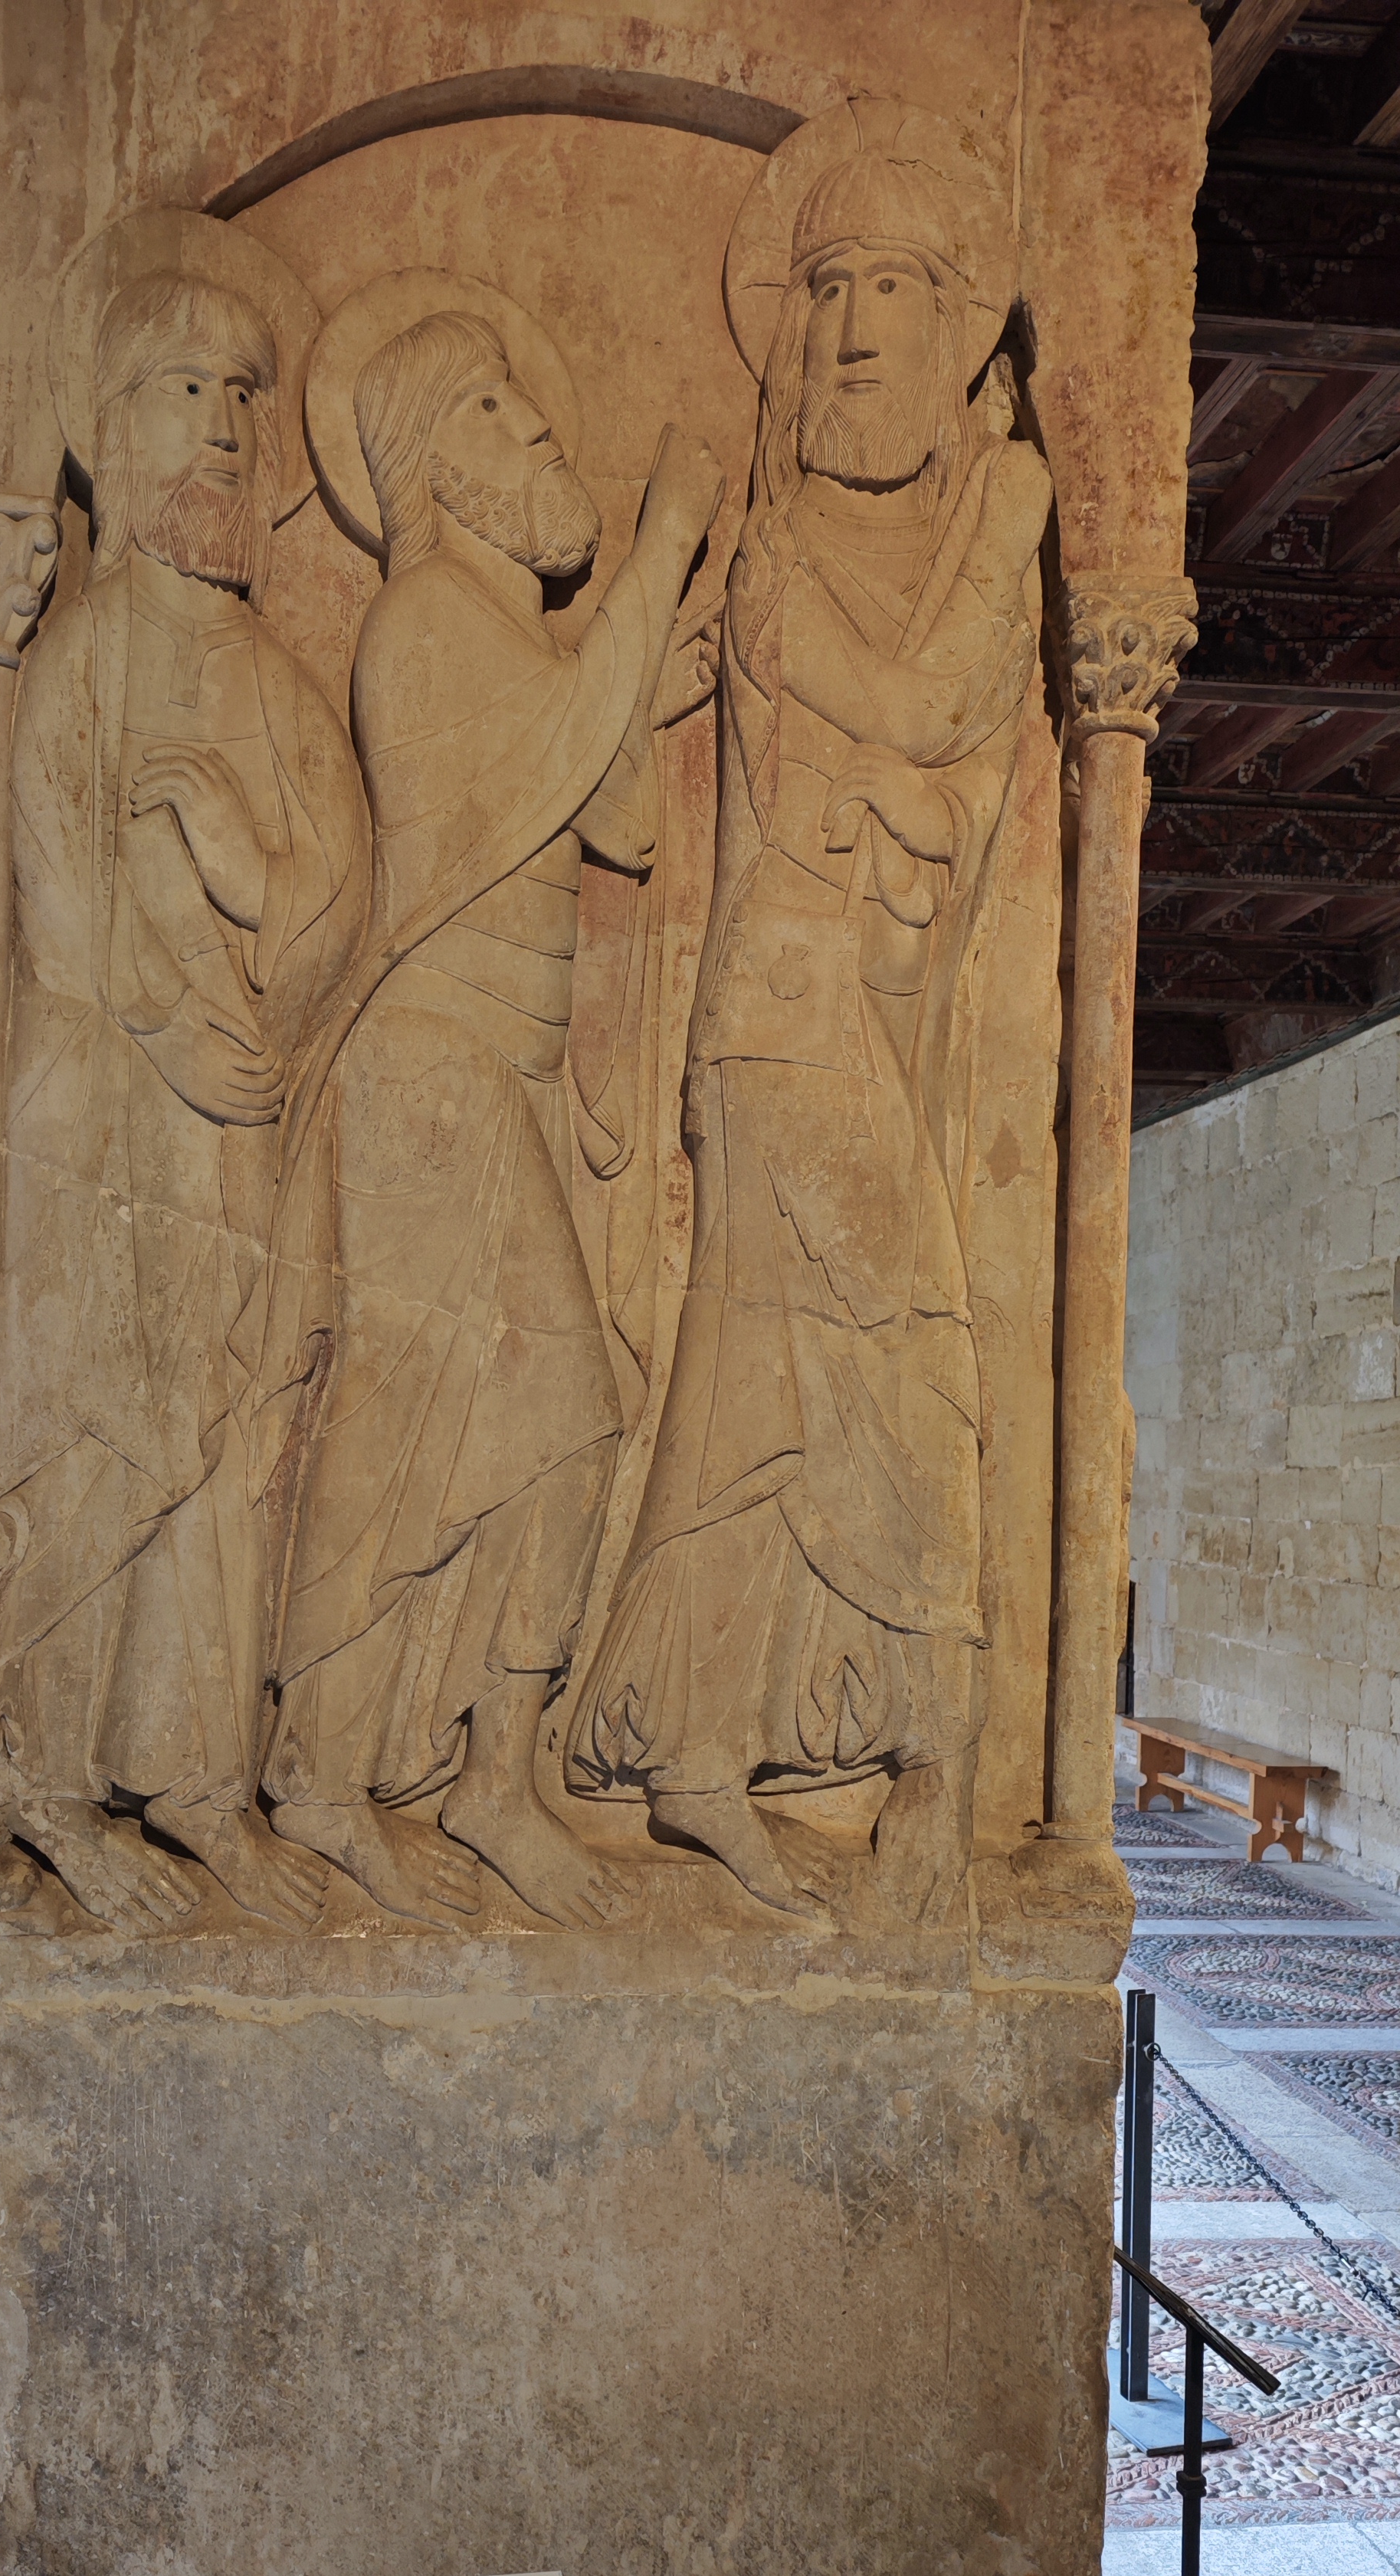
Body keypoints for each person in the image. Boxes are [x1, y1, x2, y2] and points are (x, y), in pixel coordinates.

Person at [571, 143, 1051, 1921]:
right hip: (781, 1021)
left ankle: (710, 1754)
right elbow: (917, 710)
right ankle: (931, 1760)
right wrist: (1012, 520)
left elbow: (955, 770)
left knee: (775, 1389)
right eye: (828, 289)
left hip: (872, 1012)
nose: (852, 327)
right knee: (893, 1368)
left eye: (894, 289)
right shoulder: (778, 555)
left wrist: (1001, 535)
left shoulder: (947, 546)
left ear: (955, 333)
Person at [255, 304, 723, 1925]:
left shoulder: (511, 639)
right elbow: (549, 767)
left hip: (496, 1075)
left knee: (530, 1423)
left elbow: (625, 820)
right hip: (424, 1067)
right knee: (441, 1414)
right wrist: (660, 549)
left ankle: (479, 1776)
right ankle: (341, 1773)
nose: (539, 435)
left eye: (532, 409)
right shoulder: (421, 624)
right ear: (432, 461)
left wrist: (642, 667)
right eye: (500, 414)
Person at [0, 261, 369, 1932]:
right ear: (115, 435)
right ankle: (44, 1788)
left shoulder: (269, 674)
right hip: (110, 1119)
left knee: (230, 1450)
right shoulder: (86, 659)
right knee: (104, 1437)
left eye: (240, 398)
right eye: (184, 392)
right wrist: (175, 1028)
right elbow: (60, 903)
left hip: (246, 1113)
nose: (222, 428)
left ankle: (199, 1784)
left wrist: (245, 872)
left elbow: (340, 889)